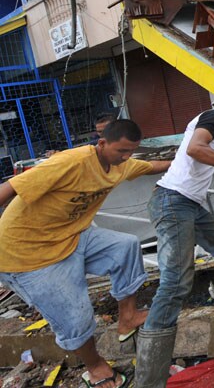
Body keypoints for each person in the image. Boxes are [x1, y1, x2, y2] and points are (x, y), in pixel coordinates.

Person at [0, 120, 171, 388]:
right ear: (102, 143)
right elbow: (10, 188)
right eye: (121, 151)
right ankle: (95, 367)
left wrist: (186, 161)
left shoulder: (119, 165)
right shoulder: (70, 162)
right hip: (27, 254)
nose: (125, 157)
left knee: (125, 246)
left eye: (130, 152)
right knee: (76, 317)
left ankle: (127, 318)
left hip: (70, 236)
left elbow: (151, 167)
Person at [136, 80, 214, 388]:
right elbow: (195, 148)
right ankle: (149, 379)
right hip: (174, 201)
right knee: (176, 281)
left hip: (188, 203)